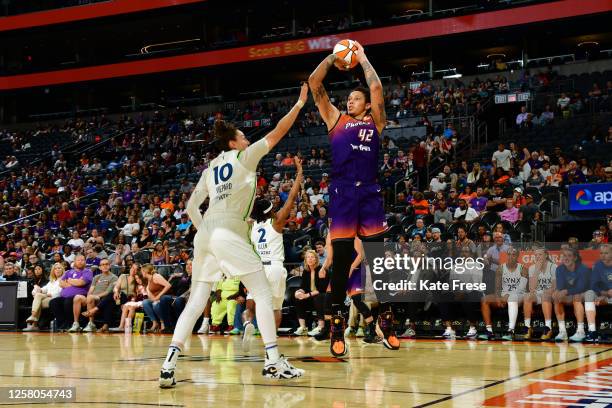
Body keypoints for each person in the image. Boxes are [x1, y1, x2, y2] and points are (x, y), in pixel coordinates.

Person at [159, 83, 308, 388]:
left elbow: (189, 207)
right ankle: (272, 361)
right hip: (228, 230)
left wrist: (208, 233)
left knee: (195, 302)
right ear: (234, 142)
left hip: (206, 233)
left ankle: (168, 364)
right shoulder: (244, 157)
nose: (247, 138)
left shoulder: (210, 167)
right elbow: (279, 131)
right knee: (263, 293)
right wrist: (299, 103)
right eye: (243, 136)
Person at [308, 42, 397, 356]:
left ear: (367, 105)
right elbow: (315, 85)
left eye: (356, 98)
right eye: (349, 97)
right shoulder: (336, 120)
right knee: (342, 259)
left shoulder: (376, 122)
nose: (350, 100)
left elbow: (375, 85)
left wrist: (361, 58)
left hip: (370, 190)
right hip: (343, 190)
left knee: (379, 253)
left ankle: (385, 316)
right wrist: (334, 57)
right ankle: (336, 321)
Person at [244, 157, 303, 349]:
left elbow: (248, 207)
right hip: (275, 268)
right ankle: (272, 342)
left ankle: (248, 322)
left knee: (251, 303)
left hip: (257, 268)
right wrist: (299, 173)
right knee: (276, 306)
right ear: (271, 211)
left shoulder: (251, 226)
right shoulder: (276, 222)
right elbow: (292, 198)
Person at [479, 247, 528, 340]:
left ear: (517, 256)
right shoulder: (500, 268)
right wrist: (498, 298)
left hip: (519, 295)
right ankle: (489, 331)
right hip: (503, 295)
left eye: (513, 255)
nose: (510, 257)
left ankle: (511, 331)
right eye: (509, 254)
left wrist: (508, 295)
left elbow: (521, 288)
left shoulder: (523, 269)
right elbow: (497, 287)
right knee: (485, 300)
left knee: (512, 299)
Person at [552, 246, 591, 342]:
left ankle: (581, 331)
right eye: (564, 256)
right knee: (556, 297)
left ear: (575, 258)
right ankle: (562, 331)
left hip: (587, 292)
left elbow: (581, 287)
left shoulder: (583, 268)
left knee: (576, 297)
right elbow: (560, 286)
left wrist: (565, 291)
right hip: (571, 293)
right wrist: (557, 292)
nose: (566, 258)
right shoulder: (560, 269)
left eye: (569, 256)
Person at [49, 254, 93, 332]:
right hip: (65, 296)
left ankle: (72, 324)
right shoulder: (69, 271)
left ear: (85, 262)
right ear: (74, 262)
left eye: (82, 260)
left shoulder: (87, 271)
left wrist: (69, 280)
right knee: (53, 302)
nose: (80, 262)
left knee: (68, 302)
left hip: (80, 296)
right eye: (78, 260)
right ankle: (63, 325)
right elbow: (61, 283)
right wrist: (74, 283)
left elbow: (81, 283)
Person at [522, 246, 556, 340]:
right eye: (536, 255)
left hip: (550, 294)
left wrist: (545, 292)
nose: (537, 257)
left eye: (540, 254)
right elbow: (531, 288)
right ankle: (527, 327)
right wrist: (537, 270)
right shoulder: (532, 268)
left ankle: (548, 328)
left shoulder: (553, 267)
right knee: (527, 296)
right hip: (538, 294)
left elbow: (554, 286)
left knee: (545, 296)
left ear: (546, 255)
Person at [23, 263, 65, 331]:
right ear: (53, 271)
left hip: (56, 299)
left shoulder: (64, 279)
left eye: (59, 268)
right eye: (55, 268)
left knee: (38, 300)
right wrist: (37, 289)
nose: (57, 270)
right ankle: (34, 320)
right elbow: (44, 289)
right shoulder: (52, 281)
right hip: (48, 298)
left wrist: (50, 294)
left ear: (62, 270)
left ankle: (33, 320)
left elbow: (61, 292)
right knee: (38, 295)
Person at [80, 259, 118, 333]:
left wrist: (93, 296)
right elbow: (91, 289)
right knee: (77, 298)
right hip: (92, 298)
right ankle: (76, 324)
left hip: (103, 299)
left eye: (106, 264)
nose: (105, 266)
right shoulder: (96, 277)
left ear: (109, 266)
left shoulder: (114, 277)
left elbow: (108, 292)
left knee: (91, 297)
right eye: (102, 265)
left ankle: (91, 324)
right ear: (100, 267)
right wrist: (88, 296)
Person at [585, 244, 612, 343]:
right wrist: (604, 294)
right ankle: (592, 332)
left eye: (606, 253)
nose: (603, 256)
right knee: (589, 293)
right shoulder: (598, 265)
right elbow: (593, 285)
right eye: (601, 253)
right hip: (603, 295)